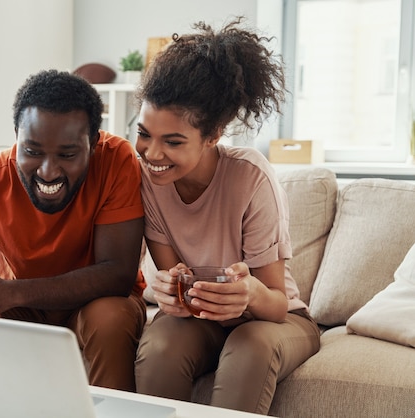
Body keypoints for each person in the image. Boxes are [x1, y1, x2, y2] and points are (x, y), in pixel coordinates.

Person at [0, 69, 147, 392]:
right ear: (16, 137)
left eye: (67, 154)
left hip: (95, 302)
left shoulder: (117, 160)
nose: (48, 171)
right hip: (22, 308)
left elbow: (117, 274)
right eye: (32, 151)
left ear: (93, 142)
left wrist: (7, 293)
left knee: (108, 317)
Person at [132, 19, 321, 414]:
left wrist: (248, 292)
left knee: (249, 346)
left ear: (214, 134)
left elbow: (277, 305)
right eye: (145, 133)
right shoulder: (148, 180)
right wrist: (170, 292)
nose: (151, 154)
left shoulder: (249, 177)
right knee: (162, 343)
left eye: (173, 141)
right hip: (201, 321)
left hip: (274, 322)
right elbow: (175, 285)